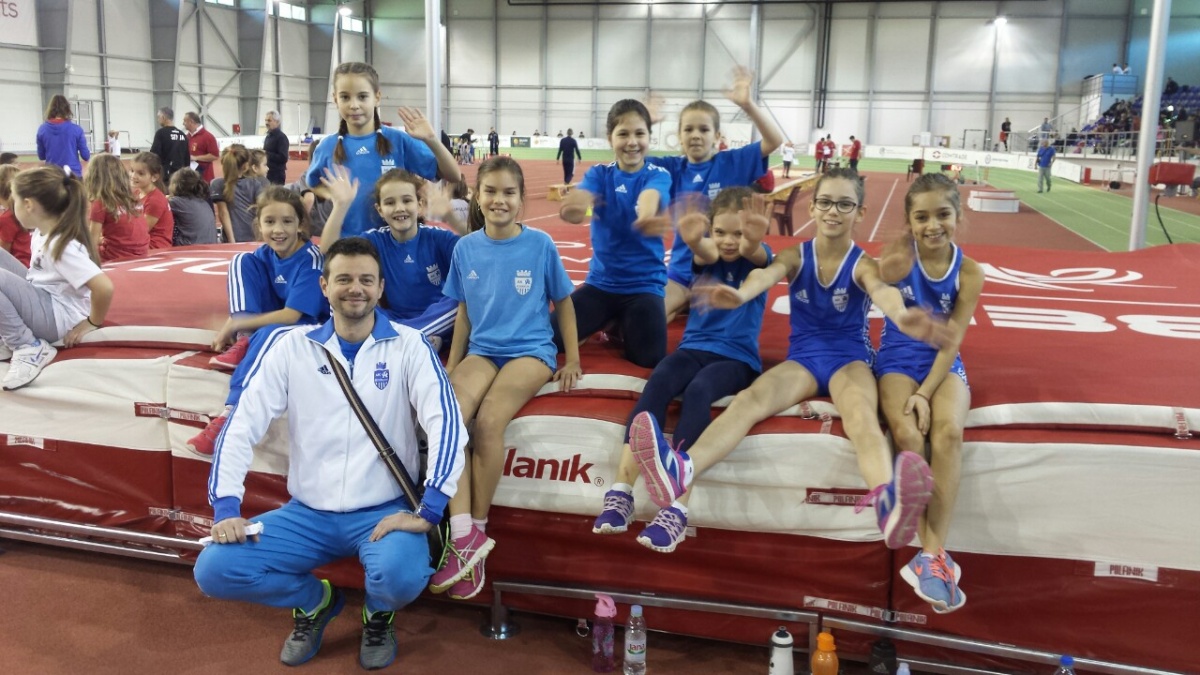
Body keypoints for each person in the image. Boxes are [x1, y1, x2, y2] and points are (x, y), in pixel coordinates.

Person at [629, 168, 951, 554]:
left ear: (860, 212)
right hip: (803, 361)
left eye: (844, 204)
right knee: (749, 400)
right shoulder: (796, 255)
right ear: (812, 208)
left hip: (849, 360)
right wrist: (739, 295)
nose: (833, 212)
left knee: (861, 417)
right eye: (826, 202)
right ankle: (682, 469)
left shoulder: (863, 263)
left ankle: (887, 502)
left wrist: (901, 316)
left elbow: (883, 292)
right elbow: (765, 275)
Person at [193, 236, 468, 670]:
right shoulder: (292, 347)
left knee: (400, 576)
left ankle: (378, 613)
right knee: (215, 570)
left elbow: (446, 423)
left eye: (366, 280)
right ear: (324, 285)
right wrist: (226, 505)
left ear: (380, 288)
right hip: (308, 513)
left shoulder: (410, 345)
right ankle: (316, 601)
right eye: (343, 279)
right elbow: (242, 424)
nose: (355, 288)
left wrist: (430, 508)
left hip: (383, 511)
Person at [429, 156, 580, 601]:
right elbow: (463, 311)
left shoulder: (540, 244)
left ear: (521, 198)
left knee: (490, 422)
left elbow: (564, 302)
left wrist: (572, 357)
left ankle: (478, 525)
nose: (499, 200)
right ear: (477, 196)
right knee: (450, 420)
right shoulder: (465, 248)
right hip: (483, 350)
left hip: (530, 351)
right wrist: (454, 363)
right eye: (490, 191)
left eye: (508, 192)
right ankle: (464, 534)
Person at [592, 187, 772, 552]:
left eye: (738, 233)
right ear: (710, 230)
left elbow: (757, 253)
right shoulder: (706, 255)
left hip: (736, 359)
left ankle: (677, 508)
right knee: (659, 380)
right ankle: (621, 492)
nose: (729, 241)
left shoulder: (759, 259)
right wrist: (692, 238)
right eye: (720, 232)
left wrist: (752, 239)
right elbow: (705, 252)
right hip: (692, 349)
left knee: (699, 390)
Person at [875, 173, 983, 614]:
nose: (933, 225)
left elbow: (952, 342)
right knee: (907, 434)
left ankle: (930, 556)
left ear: (959, 216)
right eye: (921, 217)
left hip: (942, 363)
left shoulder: (969, 272)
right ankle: (934, 558)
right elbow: (879, 279)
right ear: (909, 221)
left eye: (943, 215)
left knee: (948, 433)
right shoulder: (900, 259)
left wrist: (926, 393)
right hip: (897, 359)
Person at [186, 185, 344, 454]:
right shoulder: (265, 255)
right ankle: (246, 339)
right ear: (259, 225)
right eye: (269, 222)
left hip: (311, 329)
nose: (278, 230)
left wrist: (234, 323)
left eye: (287, 222)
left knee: (272, 333)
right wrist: (237, 323)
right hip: (276, 324)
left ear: (300, 225)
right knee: (241, 261)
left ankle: (231, 415)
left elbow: (292, 316)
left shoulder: (310, 260)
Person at [647, 66, 783, 323]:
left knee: (718, 322)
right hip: (682, 271)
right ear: (679, 136)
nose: (695, 136)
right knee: (646, 321)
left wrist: (748, 104)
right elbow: (629, 158)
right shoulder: (671, 168)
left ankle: (688, 304)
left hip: (723, 272)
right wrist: (645, 122)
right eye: (688, 129)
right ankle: (684, 301)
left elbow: (774, 141)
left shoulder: (732, 162)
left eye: (704, 129)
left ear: (717, 135)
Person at [555, 100, 672, 369]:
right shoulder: (599, 174)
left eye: (639, 134)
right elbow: (578, 205)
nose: (632, 142)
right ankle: (608, 319)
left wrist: (645, 216)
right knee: (552, 338)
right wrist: (573, 208)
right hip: (601, 285)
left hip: (644, 287)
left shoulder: (658, 175)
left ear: (649, 137)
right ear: (610, 138)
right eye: (623, 134)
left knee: (648, 358)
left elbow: (650, 195)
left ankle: (615, 323)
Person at [305, 62, 458, 238]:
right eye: (345, 97)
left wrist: (432, 140)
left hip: (394, 243)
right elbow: (313, 182)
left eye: (362, 97)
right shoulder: (326, 147)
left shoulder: (398, 140)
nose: (354, 105)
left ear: (377, 97)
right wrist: (335, 197)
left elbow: (453, 175)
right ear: (335, 99)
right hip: (350, 245)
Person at [319, 167, 460, 349]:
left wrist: (450, 217)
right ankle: (418, 339)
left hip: (437, 318)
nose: (399, 208)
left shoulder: (437, 237)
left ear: (419, 205)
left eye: (407, 200)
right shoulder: (375, 240)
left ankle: (402, 338)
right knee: (337, 289)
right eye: (390, 203)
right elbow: (331, 251)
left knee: (464, 296)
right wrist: (340, 206)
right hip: (394, 319)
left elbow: (479, 251)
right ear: (380, 210)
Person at [0, 167, 113, 390]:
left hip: (58, 318)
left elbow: (104, 287)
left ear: (28, 204)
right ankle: (9, 335)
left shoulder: (61, 246)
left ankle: (27, 346)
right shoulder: (42, 232)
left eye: (15, 201)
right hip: (45, 299)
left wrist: (92, 322)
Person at [84, 153, 149, 263]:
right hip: (141, 253)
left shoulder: (100, 203)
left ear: (93, 178)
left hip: (115, 257)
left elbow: (92, 243)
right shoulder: (133, 198)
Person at [212, 144, 264, 243]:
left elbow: (223, 214)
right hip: (253, 235)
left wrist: (231, 239)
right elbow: (260, 211)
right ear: (246, 166)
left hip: (233, 236)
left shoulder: (218, 184)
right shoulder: (255, 184)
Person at [129, 152, 175, 250]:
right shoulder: (136, 193)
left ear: (154, 177)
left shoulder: (155, 200)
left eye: (140, 173)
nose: (133, 176)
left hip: (155, 247)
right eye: (132, 171)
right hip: (142, 242)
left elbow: (140, 231)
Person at [36, 95, 90, 177]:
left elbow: (41, 156)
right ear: (67, 109)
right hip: (73, 174)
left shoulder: (42, 129)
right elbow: (86, 156)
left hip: (52, 175)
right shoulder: (76, 129)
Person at [167, 168, 218, 246]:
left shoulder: (177, 203)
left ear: (176, 185)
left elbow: (159, 203)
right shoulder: (203, 202)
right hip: (210, 246)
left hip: (190, 247)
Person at [0, 165, 31, 267]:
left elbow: (3, 253)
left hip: (21, 267)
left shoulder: (7, 218)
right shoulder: (26, 211)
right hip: (32, 265)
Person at [150, 107, 191, 182]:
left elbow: (154, 154)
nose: (158, 120)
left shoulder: (161, 133)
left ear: (163, 117)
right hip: (181, 174)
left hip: (166, 174)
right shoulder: (182, 134)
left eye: (158, 117)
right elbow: (187, 157)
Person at [183, 112, 220, 183]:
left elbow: (215, 156)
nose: (183, 123)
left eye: (185, 121)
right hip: (190, 178)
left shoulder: (208, 137)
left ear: (191, 122)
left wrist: (196, 158)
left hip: (204, 178)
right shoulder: (186, 137)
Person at [263, 110, 290, 185]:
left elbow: (283, 157)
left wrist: (266, 153)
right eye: (265, 120)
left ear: (277, 122)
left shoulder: (281, 137)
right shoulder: (268, 136)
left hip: (276, 174)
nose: (266, 123)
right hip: (268, 172)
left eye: (269, 120)